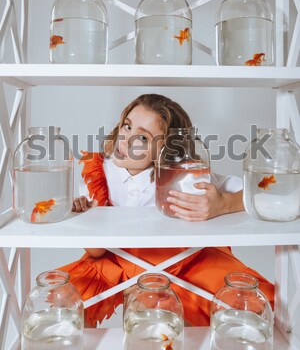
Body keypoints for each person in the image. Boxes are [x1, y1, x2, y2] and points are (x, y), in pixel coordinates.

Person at [59, 93, 274, 327]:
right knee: (63, 305)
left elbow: (265, 194)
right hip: (115, 260)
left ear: (166, 150)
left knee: (253, 307)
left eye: (142, 137)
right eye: (127, 126)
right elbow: (97, 252)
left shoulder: (183, 177)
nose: (126, 140)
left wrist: (223, 203)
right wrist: (90, 218)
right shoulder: (97, 174)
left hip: (180, 261)